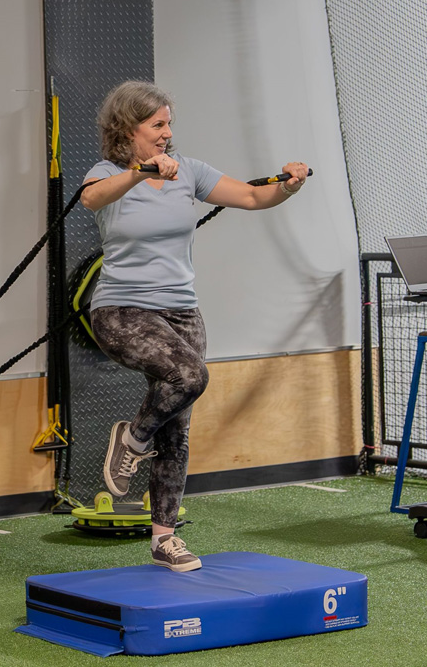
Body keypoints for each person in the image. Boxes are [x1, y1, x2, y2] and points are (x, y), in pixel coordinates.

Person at [81, 80, 309, 572]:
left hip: (183, 311)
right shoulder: (107, 173)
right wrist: (141, 174)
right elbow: (92, 200)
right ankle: (134, 439)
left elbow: (250, 197)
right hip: (122, 311)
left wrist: (288, 185)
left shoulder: (188, 172)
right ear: (128, 128)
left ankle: (164, 538)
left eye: (169, 125)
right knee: (190, 377)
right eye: (157, 125)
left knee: (178, 425)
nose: (166, 135)